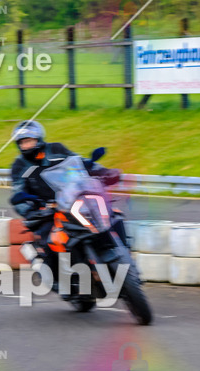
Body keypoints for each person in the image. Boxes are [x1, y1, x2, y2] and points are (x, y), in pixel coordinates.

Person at [8, 120, 124, 289]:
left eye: (29, 140)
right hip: (47, 209)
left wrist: (103, 171)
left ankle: (125, 256)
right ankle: (61, 279)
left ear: (39, 139)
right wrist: (29, 210)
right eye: (23, 142)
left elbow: (81, 163)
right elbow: (17, 192)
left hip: (72, 197)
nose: (27, 145)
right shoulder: (19, 166)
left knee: (112, 214)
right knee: (50, 239)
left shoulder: (56, 149)